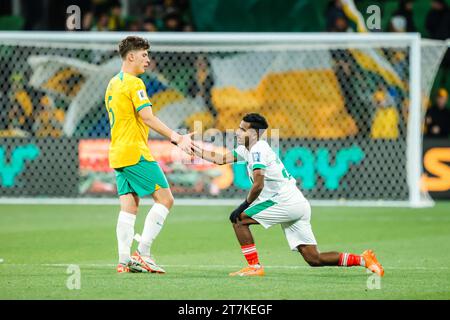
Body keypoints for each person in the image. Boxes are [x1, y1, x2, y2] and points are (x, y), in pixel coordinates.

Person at [192, 113, 384, 277]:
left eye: (242, 129)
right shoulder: (247, 149)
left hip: (284, 202)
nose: (237, 132)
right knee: (313, 258)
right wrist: (192, 148)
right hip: (296, 202)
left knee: (238, 220)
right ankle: (363, 259)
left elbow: (258, 184)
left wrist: (242, 206)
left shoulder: (258, 150)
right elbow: (219, 159)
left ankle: (254, 267)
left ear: (253, 133)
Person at [105, 36, 196, 273]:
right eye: (144, 55)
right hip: (135, 153)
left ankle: (124, 261)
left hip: (117, 153)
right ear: (131, 56)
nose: (148, 59)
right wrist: (177, 138)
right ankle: (143, 253)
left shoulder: (113, 83)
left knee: (129, 206)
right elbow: (147, 117)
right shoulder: (135, 84)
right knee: (166, 199)